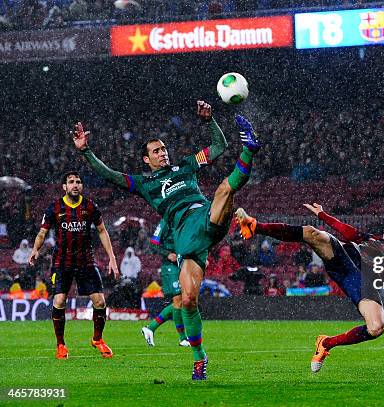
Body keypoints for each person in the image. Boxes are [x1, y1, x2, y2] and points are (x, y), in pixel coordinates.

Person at [72, 101, 260, 380]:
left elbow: (218, 148)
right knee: (187, 301)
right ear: (146, 159)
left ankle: (248, 148)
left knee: (223, 189)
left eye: (164, 149)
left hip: (203, 215)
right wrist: (85, 151)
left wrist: (209, 121)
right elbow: (109, 175)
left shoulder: (185, 167)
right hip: (186, 238)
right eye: (156, 151)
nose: (163, 153)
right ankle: (199, 359)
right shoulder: (145, 183)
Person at [235, 204, 384, 373]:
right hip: (344, 259)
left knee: (377, 327)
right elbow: (349, 232)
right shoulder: (373, 241)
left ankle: (326, 343)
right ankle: (255, 226)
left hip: (361, 284)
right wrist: (323, 215)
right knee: (313, 233)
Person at [28, 171, 119, 359]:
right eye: (71, 182)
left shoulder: (90, 206)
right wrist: (35, 249)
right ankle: (61, 345)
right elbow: (42, 233)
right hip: (62, 262)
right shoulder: (54, 208)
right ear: (64, 187)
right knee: (59, 301)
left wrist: (112, 257)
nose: (75, 185)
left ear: (82, 186)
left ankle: (97, 340)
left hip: (86, 261)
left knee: (100, 301)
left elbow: (102, 231)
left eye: (78, 182)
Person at [141, 219, 189, 347]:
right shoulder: (165, 222)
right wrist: (167, 254)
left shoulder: (184, 221)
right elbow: (153, 243)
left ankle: (150, 328)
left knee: (181, 302)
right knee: (178, 301)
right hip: (170, 267)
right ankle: (183, 338)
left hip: (182, 265)